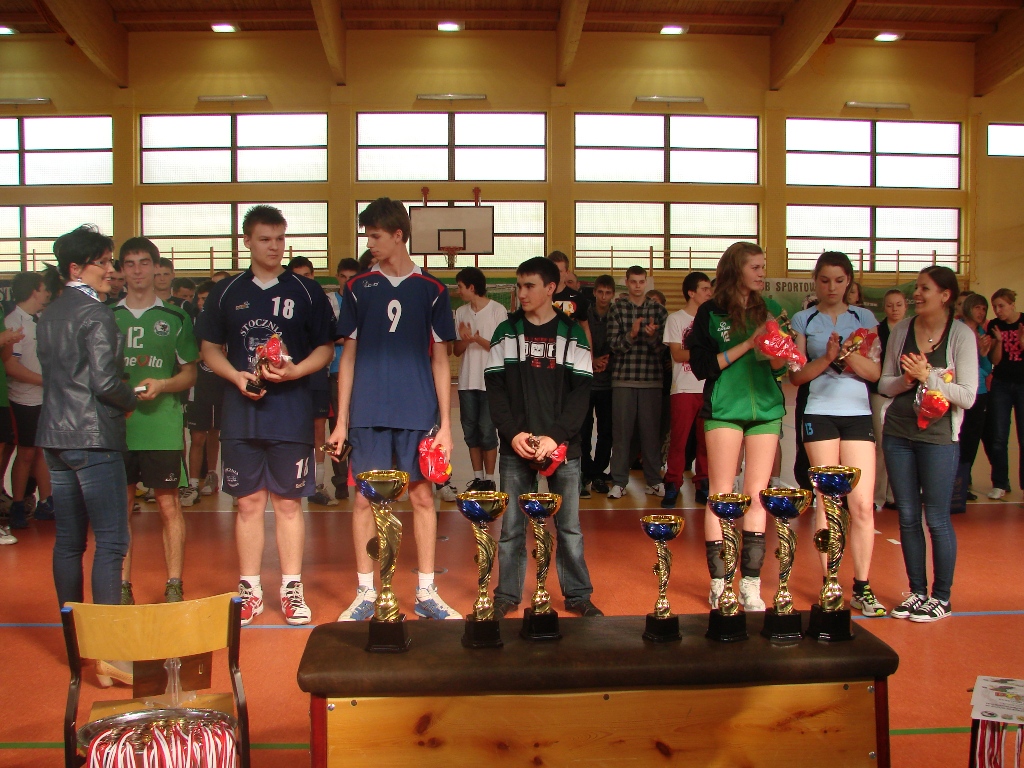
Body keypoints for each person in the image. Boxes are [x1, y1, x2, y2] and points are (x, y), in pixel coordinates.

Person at [195, 205, 336, 626]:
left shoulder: (306, 291)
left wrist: (296, 371)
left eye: (279, 239)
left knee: (290, 504)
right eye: (265, 239)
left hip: (290, 413)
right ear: (247, 242)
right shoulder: (226, 292)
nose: (274, 247)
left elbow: (326, 348)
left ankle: (291, 588)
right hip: (241, 414)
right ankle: (250, 590)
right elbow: (209, 349)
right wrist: (234, 376)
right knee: (248, 503)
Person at [330, 197, 461, 622]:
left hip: (417, 411)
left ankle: (426, 590)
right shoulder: (357, 287)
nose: (369, 244)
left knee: (422, 497)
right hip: (368, 411)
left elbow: (440, 361)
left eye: (376, 236)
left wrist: (445, 425)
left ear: (398, 235)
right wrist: (341, 421)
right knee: (364, 500)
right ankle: (365, 592)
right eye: (368, 236)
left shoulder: (433, 290)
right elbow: (348, 356)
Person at [486, 257, 601, 618]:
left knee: (569, 527)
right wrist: (513, 434)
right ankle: (507, 594)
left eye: (529, 286)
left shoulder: (573, 333)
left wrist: (555, 437)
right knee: (511, 527)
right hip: (516, 446)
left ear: (550, 288)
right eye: (519, 286)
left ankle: (578, 595)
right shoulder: (506, 332)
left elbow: (581, 393)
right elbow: (495, 389)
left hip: (564, 448)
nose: (521, 293)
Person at [36, 225, 137, 609]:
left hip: (54, 435)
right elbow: (105, 382)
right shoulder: (97, 313)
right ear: (76, 269)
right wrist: (131, 399)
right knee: (111, 541)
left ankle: (73, 633)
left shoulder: (49, 314)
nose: (111, 270)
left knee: (68, 541)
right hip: (93, 437)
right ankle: (106, 638)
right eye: (103, 263)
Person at [686, 241, 789, 612]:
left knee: (758, 495)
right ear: (736, 270)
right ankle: (720, 582)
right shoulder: (710, 312)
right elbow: (702, 367)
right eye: (755, 267)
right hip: (725, 409)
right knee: (721, 494)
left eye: (763, 266)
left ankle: (750, 584)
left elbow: (782, 368)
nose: (762, 273)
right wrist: (748, 344)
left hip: (766, 410)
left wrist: (776, 352)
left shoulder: (771, 308)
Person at [790, 252, 885, 617]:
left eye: (839, 280)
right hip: (819, 413)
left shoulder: (864, 319)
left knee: (860, 504)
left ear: (849, 283)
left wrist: (847, 356)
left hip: (858, 415)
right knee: (827, 501)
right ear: (816, 281)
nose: (832, 287)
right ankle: (830, 583)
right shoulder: (804, 319)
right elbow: (797, 376)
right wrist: (828, 358)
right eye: (825, 280)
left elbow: (874, 373)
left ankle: (862, 586)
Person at [880, 266, 976, 623]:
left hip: (938, 439)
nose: (916, 294)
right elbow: (884, 384)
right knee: (907, 516)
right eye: (917, 288)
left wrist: (928, 376)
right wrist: (906, 380)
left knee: (936, 518)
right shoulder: (901, 330)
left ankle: (941, 597)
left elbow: (967, 396)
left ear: (945, 295)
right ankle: (917, 592)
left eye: (924, 289)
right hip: (898, 433)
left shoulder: (961, 335)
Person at [114, 238, 198, 604]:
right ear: (121, 270)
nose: (137, 271)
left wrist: (163, 384)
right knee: (120, 509)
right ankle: (122, 586)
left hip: (161, 426)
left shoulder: (176, 318)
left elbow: (190, 373)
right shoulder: (107, 316)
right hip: (118, 427)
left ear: (155, 267)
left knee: (168, 506)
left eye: (143, 263)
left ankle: (174, 584)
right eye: (130, 264)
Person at [606, 265, 668, 499]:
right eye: (633, 281)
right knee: (621, 435)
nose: (638, 286)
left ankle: (654, 480)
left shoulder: (658, 310)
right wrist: (631, 334)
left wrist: (652, 337)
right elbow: (614, 345)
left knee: (651, 435)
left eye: (641, 282)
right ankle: (619, 481)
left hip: (652, 380)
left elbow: (663, 350)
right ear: (627, 282)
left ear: (646, 283)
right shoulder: (617, 308)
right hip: (623, 379)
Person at [3, 272, 54, 529]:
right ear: (34, 291)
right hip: (23, 399)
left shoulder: (41, 320)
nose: (48, 294)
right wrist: (44, 381)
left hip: (43, 398)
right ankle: (17, 503)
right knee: (26, 453)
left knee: (42, 450)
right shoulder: (14, 322)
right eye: (44, 289)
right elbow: (11, 367)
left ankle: (46, 501)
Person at [287, 255, 337, 507]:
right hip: (288, 376)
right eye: (298, 276)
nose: (304, 280)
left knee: (319, 431)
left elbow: (332, 338)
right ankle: (292, 481)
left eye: (307, 275)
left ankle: (318, 484)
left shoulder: (321, 302)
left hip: (316, 375)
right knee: (293, 430)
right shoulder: (283, 306)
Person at [453, 266, 507, 494]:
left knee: (487, 430)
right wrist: (466, 340)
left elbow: (502, 347)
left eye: (460, 287)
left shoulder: (497, 311)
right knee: (470, 431)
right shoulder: (461, 312)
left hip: (490, 381)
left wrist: (477, 339)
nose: (458, 291)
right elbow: (456, 351)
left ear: (472, 287)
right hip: (466, 382)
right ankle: (477, 477)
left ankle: (490, 479)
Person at [662, 271, 712, 508]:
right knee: (679, 440)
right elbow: (678, 354)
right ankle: (672, 483)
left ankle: (703, 483)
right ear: (691, 293)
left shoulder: (711, 319)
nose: (709, 293)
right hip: (683, 387)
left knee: (706, 441)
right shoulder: (676, 319)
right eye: (704, 289)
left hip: (708, 387)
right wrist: (704, 354)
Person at [951, 293, 994, 512]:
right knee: (954, 437)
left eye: (984, 309)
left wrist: (983, 353)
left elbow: (986, 368)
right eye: (977, 307)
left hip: (979, 393)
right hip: (957, 391)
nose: (981, 312)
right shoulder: (956, 328)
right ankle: (949, 482)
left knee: (971, 440)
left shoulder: (982, 333)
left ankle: (963, 484)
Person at [184, 280, 224, 501]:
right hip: (197, 387)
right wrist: (206, 354)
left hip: (220, 385)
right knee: (197, 436)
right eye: (199, 299)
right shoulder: (191, 324)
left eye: (206, 299)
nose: (202, 303)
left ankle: (211, 475)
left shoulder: (224, 323)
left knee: (215, 433)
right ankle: (192, 484)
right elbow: (188, 356)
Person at [984, 288, 1024, 500]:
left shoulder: (1023, 322)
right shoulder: (994, 325)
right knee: (999, 436)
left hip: (1022, 383)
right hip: (1001, 384)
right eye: (995, 307)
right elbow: (995, 360)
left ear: (1012, 305)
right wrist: (999, 341)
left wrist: (1022, 341)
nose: (998, 310)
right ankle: (1000, 483)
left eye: (1001, 306)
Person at [326, 257, 361, 500]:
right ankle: (340, 481)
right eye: (343, 277)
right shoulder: (329, 301)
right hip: (336, 371)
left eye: (352, 278)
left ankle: (359, 475)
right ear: (337, 276)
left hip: (362, 373)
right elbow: (329, 334)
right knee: (337, 428)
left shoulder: (363, 299)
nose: (347, 282)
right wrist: (352, 338)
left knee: (359, 427)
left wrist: (347, 337)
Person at [871, 289, 908, 511]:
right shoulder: (878, 331)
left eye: (899, 304)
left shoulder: (913, 330)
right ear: (884, 308)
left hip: (905, 393)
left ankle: (895, 495)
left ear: (906, 306)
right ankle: (877, 496)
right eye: (890, 305)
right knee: (882, 444)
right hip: (881, 393)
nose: (894, 309)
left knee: (902, 444)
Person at [580, 274, 615, 495]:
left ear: (613, 295)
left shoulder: (616, 315)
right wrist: (591, 360)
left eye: (607, 293)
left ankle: (599, 472)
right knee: (584, 430)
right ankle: (585, 471)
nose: (603, 296)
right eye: (600, 292)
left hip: (609, 381)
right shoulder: (585, 314)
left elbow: (619, 342)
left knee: (606, 431)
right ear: (594, 293)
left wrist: (606, 360)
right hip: (586, 381)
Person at [547, 250, 591, 348]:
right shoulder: (538, 296)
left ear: (567, 272)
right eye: (552, 270)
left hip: (568, 351)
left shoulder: (578, 298)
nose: (556, 274)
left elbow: (585, 328)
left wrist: (589, 354)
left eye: (560, 271)